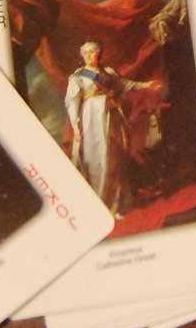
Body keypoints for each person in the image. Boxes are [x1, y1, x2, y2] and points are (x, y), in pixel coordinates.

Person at [63, 40, 161, 215]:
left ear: (98, 53)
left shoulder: (108, 73)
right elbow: (72, 103)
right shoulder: (78, 77)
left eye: (92, 51)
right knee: (96, 158)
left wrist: (146, 85)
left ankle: (115, 204)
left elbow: (124, 84)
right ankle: (97, 204)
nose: (88, 55)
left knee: (113, 158)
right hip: (91, 120)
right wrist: (76, 128)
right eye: (85, 53)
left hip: (111, 118)